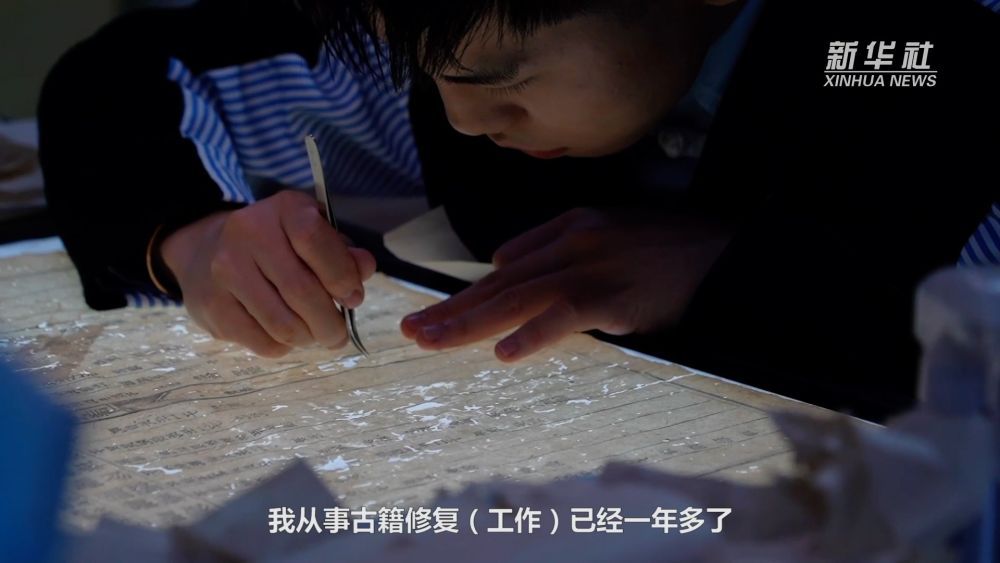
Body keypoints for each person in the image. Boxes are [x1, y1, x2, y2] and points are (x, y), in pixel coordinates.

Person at [39, 0, 1000, 420]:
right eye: (432, 77)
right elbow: (120, 83)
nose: (465, 119)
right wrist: (191, 235)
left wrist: (752, 266)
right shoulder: (451, 31)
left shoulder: (900, 58)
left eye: (502, 81)